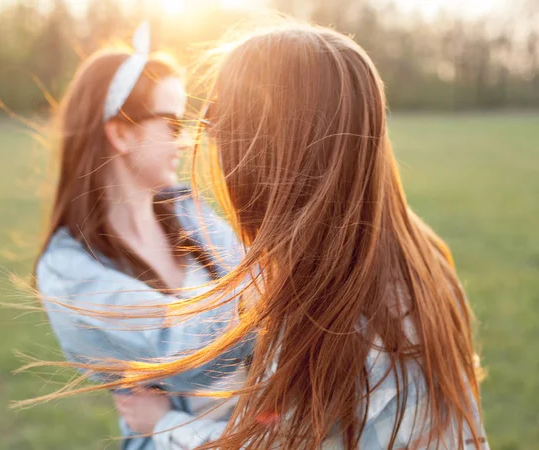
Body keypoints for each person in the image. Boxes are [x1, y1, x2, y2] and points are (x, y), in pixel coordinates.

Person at [34, 21, 490, 450]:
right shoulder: (415, 254)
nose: (196, 143)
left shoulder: (320, 295)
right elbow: (175, 345)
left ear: (274, 152)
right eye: (174, 124)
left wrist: (164, 425)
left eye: (217, 129)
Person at [33, 23, 250, 450]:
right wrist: (273, 284)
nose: (185, 141)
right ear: (121, 133)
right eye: (172, 124)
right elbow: (186, 355)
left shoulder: (188, 212)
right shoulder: (66, 268)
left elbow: (260, 301)